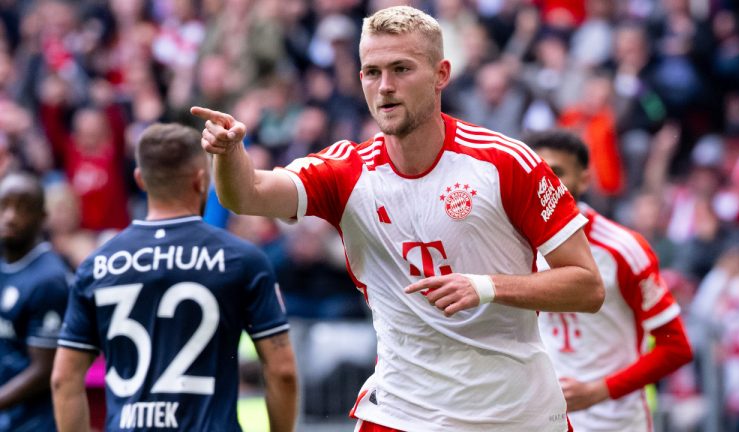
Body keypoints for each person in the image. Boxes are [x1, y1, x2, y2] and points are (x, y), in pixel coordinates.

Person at [192, 6, 604, 432]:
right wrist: (227, 154)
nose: (385, 87)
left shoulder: (505, 163)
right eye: (372, 72)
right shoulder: (345, 170)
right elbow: (248, 193)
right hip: (400, 411)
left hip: (513, 413)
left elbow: (587, 285)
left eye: (401, 69)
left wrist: (484, 287)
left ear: (441, 74)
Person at [51, 123, 298, 432]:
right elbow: (282, 372)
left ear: (140, 180)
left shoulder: (96, 265)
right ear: (201, 181)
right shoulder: (242, 260)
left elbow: (64, 380)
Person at [526, 129, 694, 431]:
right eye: (540, 173)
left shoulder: (623, 249)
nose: (548, 184)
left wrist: (598, 391)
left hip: (615, 421)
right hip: (546, 420)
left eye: (558, 172)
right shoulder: (519, 248)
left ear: (585, 179)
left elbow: (676, 347)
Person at [0, 172, 70, 431]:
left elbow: (45, 370)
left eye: (23, 207)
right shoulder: (4, 263)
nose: (10, 216)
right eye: (4, 205)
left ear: (42, 218)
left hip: (35, 422)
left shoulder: (49, 279)